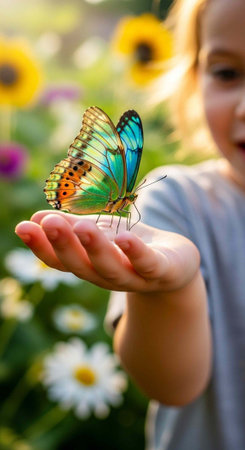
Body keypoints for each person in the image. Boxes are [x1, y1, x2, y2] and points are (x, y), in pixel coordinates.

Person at [15, 0, 245, 448]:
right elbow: (171, 385)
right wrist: (170, 289)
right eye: (226, 73)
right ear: (192, 80)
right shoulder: (177, 204)